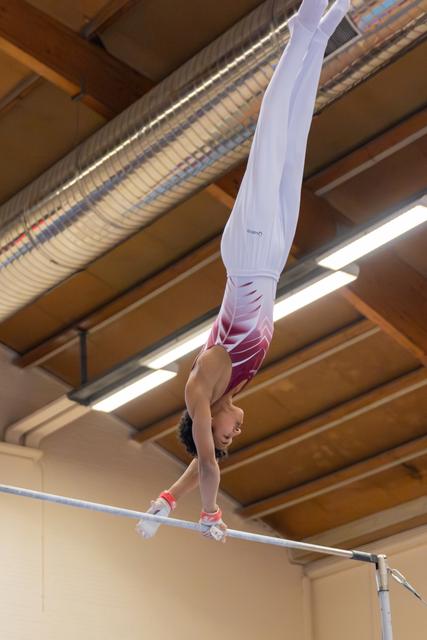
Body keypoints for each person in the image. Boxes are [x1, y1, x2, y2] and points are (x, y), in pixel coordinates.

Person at [137, 0, 350, 542]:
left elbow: (207, 464)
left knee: (273, 136)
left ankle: (303, 23)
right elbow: (202, 460)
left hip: (249, 253)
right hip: (271, 260)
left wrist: (209, 511)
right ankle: (325, 31)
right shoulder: (229, 388)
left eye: (227, 436)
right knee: (296, 143)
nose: (238, 431)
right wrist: (167, 497)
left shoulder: (199, 390)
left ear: (208, 425)